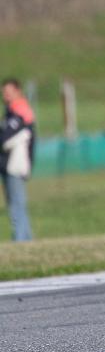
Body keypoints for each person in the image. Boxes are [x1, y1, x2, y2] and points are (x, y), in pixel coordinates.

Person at [1, 79, 35, 241]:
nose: (5, 95)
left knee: (16, 203)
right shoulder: (10, 111)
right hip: (8, 163)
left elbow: (5, 137)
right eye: (4, 92)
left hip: (15, 163)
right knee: (15, 202)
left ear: (18, 91)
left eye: (9, 91)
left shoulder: (20, 110)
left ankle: (20, 239)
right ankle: (26, 238)